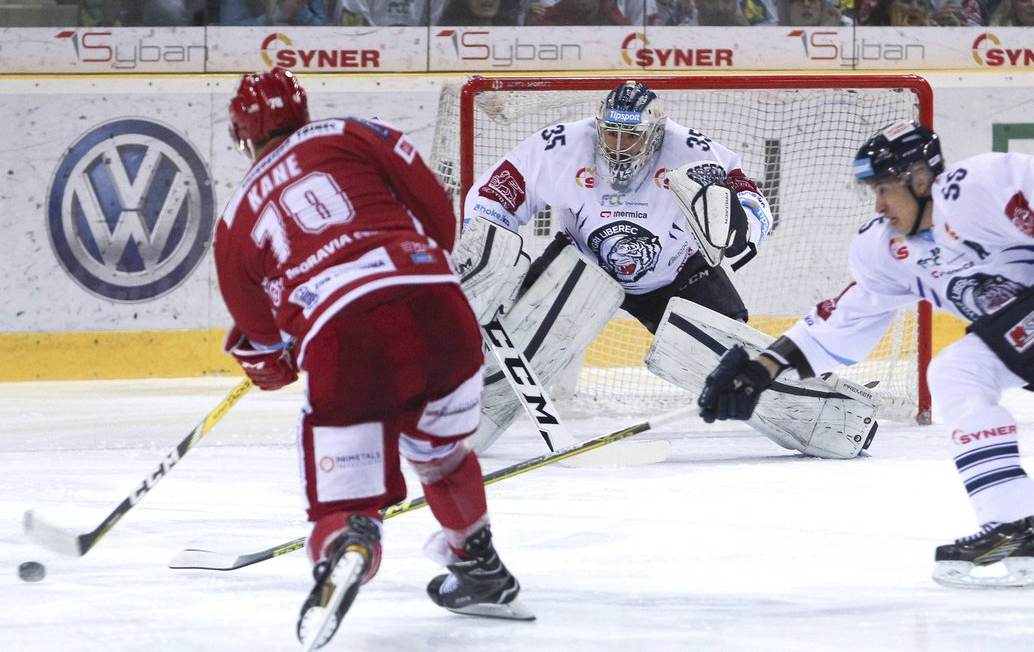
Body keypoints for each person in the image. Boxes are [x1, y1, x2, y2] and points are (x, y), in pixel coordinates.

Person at [215, 68, 532, 645]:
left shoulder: (234, 220)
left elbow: (265, 352)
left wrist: (282, 357)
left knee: (350, 494)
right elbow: (437, 211)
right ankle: (479, 565)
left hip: (348, 341)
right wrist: (408, 267)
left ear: (243, 135)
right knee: (439, 453)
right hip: (441, 311)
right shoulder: (356, 131)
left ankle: (350, 540)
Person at [697, 119, 1034, 589]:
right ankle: (1013, 522)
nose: (878, 205)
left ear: (921, 180)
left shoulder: (982, 186)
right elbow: (844, 319)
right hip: (1021, 337)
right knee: (956, 373)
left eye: (884, 189)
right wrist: (761, 369)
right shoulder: (889, 249)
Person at [459, 80, 772, 448]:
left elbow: (748, 195)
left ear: (655, 134)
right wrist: (489, 257)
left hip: (676, 273)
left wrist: (745, 226)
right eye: (610, 134)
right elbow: (492, 196)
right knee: (512, 343)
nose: (619, 146)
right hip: (580, 267)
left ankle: (808, 417)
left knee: (737, 359)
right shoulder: (561, 146)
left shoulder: (691, 150)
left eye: (631, 136)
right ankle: (460, 420)